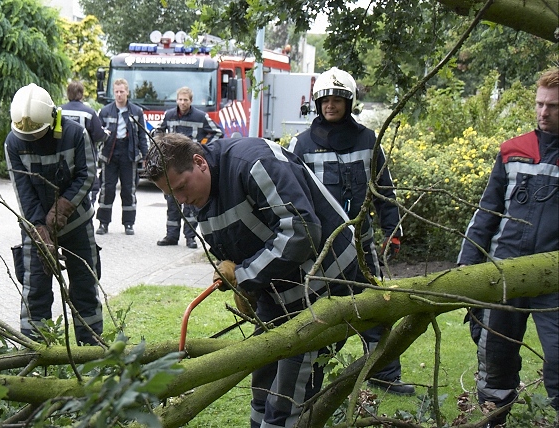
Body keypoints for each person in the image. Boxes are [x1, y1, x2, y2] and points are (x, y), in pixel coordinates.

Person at [146, 132, 359, 428]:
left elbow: (301, 231)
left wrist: (244, 277)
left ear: (199, 162)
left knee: (288, 396)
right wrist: (239, 281)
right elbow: (237, 250)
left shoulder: (252, 162)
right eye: (172, 196)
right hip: (281, 289)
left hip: (325, 285)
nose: (181, 201)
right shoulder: (200, 199)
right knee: (263, 381)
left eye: (181, 187)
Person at [288, 67, 414, 396]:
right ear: (317, 103)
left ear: (349, 102)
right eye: (325, 99)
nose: (330, 105)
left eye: (337, 99)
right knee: (317, 316)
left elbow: (384, 189)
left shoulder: (367, 141)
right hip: (320, 250)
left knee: (374, 308)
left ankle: (384, 374)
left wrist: (393, 231)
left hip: (361, 246)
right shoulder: (300, 145)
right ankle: (313, 379)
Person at [457, 67, 558, 427]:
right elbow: (485, 214)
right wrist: (467, 270)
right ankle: (493, 419)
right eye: (539, 104)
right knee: (495, 356)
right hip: (505, 272)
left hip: (554, 278)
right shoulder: (512, 150)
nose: (544, 112)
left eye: (553, 106)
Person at [5, 83, 102, 345]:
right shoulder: (13, 142)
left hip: (77, 225)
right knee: (35, 291)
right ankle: (35, 353)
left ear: (51, 121)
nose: (32, 142)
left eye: (37, 136)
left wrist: (59, 212)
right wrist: (40, 230)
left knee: (84, 288)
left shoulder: (75, 134)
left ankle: (91, 350)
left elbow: (87, 175)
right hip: (36, 229)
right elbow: (23, 191)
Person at [155, 86, 222, 249]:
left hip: (189, 164)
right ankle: (171, 236)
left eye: (186, 100)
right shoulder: (169, 115)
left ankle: (190, 237)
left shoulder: (200, 116)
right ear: (176, 100)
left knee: (190, 205)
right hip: (171, 165)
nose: (182, 102)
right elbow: (158, 131)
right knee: (172, 202)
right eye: (180, 99)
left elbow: (217, 132)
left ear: (191, 101)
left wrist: (200, 145)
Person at [96, 78, 148, 235]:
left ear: (127, 92)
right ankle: (103, 223)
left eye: (122, 92)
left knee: (128, 190)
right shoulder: (105, 111)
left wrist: (145, 155)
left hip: (129, 153)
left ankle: (128, 224)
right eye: (116, 92)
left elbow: (141, 135)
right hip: (109, 155)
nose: (119, 95)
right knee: (107, 189)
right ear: (114, 92)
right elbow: (98, 134)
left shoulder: (136, 112)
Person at [60, 80, 108, 205]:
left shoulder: (59, 111)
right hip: (84, 158)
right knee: (90, 185)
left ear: (68, 93)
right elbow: (99, 135)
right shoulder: (89, 113)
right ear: (81, 94)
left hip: (61, 158)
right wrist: (107, 134)